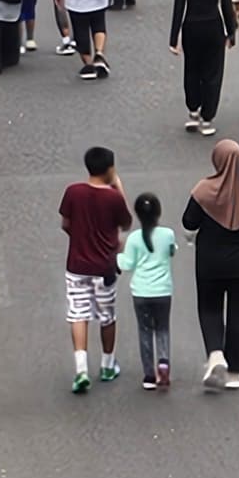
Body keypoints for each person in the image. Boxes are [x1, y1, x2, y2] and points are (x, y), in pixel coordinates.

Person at [180, 138, 239, 391]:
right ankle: (235, 373)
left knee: (210, 308)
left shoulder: (203, 190)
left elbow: (188, 222)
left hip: (211, 261)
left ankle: (215, 354)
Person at [52, 146, 132, 395]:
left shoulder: (73, 192)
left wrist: (78, 237)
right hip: (105, 267)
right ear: (109, 169)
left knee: (78, 314)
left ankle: (81, 369)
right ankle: (108, 365)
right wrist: (118, 187)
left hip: (76, 265)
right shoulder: (113, 198)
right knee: (107, 316)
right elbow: (127, 222)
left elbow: (66, 223)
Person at [168, 0, 235, 136]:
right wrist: (231, 33)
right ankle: (208, 117)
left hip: (191, 27)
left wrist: (173, 39)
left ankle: (193, 111)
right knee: (213, 74)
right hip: (214, 27)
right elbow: (227, 7)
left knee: (192, 70)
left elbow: (178, 8)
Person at [121, 192, 179, 391]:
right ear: (159, 212)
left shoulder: (134, 239)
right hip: (163, 291)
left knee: (145, 331)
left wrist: (115, 259)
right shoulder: (168, 234)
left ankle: (148, 375)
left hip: (141, 292)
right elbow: (171, 251)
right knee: (162, 328)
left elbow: (127, 264)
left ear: (137, 214)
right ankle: (164, 363)